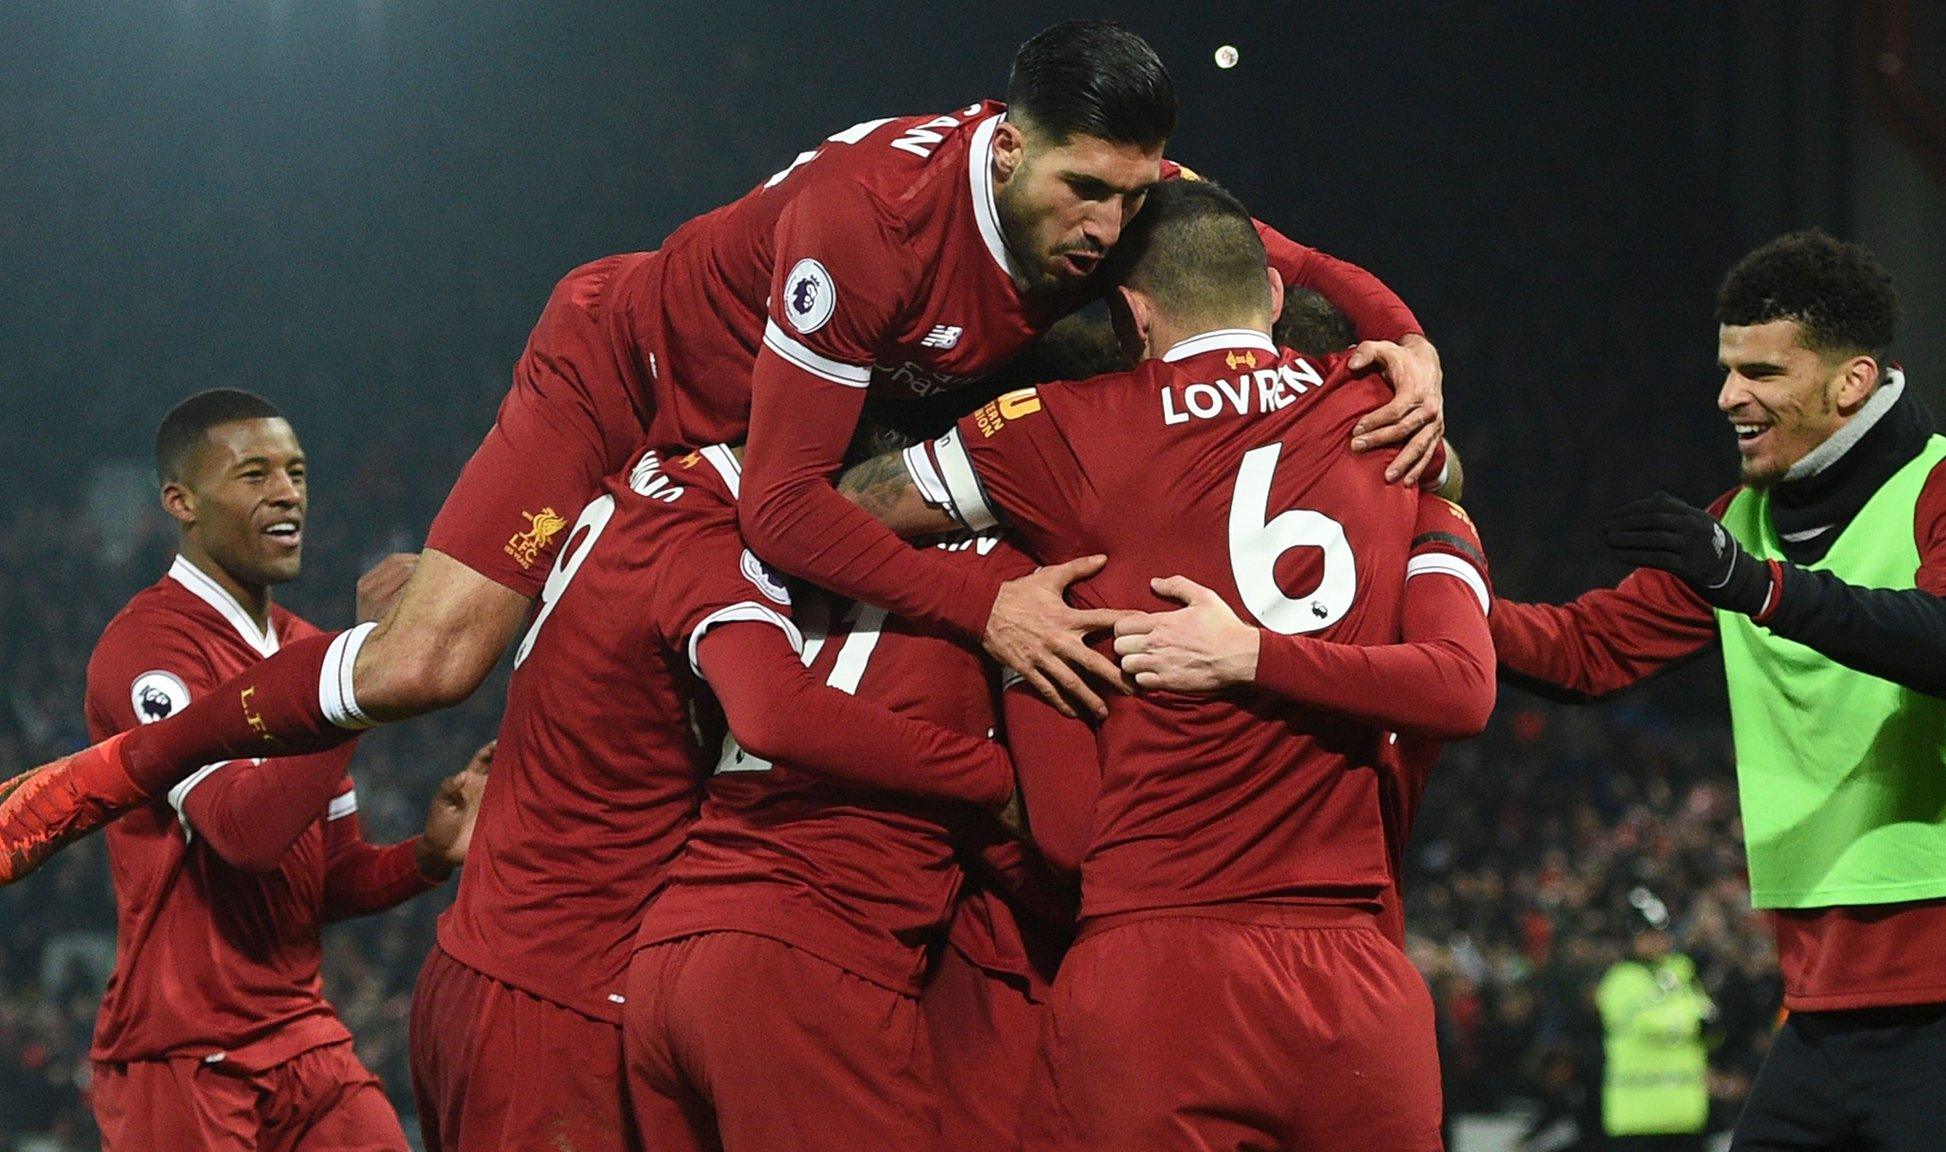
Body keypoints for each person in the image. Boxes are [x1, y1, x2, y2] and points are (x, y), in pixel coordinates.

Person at [0, 21, 1446, 886]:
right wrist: (984, 605)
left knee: (572, 641)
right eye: (1081, 189)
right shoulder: (862, 226)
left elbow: (1294, 264)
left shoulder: (1130, 194)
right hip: (625, 382)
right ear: (1007, 143)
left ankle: (469, 570)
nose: (1103, 229)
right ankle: (115, 768)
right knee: (430, 670)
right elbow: (792, 510)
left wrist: (1411, 343)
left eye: (1128, 200)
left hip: (753, 430)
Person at [835, 178, 1495, 1151]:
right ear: (1269, 296)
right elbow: (1447, 497)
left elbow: (852, 505)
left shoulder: (1061, 426)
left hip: (1156, 964)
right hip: (1352, 967)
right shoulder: (1380, 413)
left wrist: (990, 593)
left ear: (1131, 314)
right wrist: (1408, 351)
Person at [1490, 230, 1946, 1151]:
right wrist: (1427, 588)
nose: (1727, 397)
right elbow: (1586, 652)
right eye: (1725, 368)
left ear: (1852, 382)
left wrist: (1755, 585)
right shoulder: (1741, 527)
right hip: (1822, 997)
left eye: (1760, 372)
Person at [411, 437, 1021, 1152]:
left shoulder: (640, 477)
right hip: (560, 1001)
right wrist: (990, 777)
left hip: (486, 963)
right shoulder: (714, 536)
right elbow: (774, 714)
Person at [83, 389, 487, 1151]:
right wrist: (360, 676)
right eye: (254, 474)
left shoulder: (309, 652)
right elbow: (243, 834)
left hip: (304, 1041)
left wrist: (427, 857)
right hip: (186, 1055)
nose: (287, 494)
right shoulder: (148, 649)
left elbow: (327, 880)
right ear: (181, 501)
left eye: (297, 473)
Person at [1595, 890, 1715, 1152]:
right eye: (1648, 935)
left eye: (1661, 934)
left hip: (1686, 1115)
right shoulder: (1620, 980)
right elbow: (1648, 1023)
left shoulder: (1681, 970)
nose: (1657, 941)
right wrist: (1690, 1019)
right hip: (1636, 1119)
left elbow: (1711, 1022)